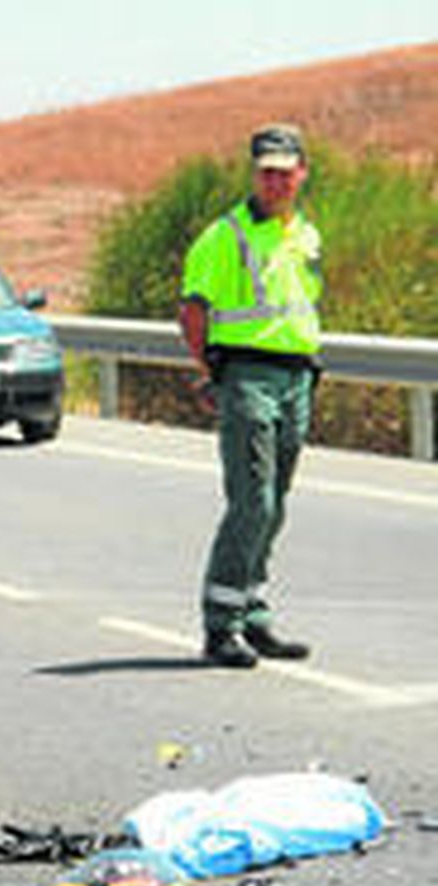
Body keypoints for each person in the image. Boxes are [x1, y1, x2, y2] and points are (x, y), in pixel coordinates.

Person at [178, 123, 323, 669]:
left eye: (285, 173)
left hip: (295, 377)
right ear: (254, 173)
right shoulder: (224, 236)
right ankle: (221, 626)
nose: (276, 181)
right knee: (252, 501)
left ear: (301, 174)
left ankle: (253, 612)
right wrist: (213, 370)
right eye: (267, 172)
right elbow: (193, 311)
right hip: (248, 376)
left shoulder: (304, 232)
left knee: (275, 502)